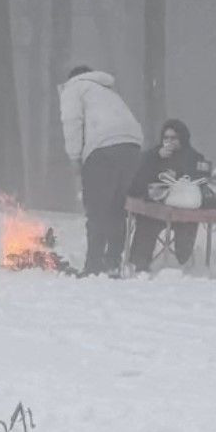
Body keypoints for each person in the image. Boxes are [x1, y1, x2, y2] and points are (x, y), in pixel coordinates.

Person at [58, 65, 143, 276]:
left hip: (103, 150)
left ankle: (94, 266)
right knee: (116, 208)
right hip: (132, 147)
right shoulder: (108, 91)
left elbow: (72, 123)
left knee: (97, 209)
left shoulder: (74, 88)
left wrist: (74, 157)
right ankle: (113, 261)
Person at [127, 119, 210, 273]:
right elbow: (138, 176)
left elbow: (201, 177)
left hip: (183, 205)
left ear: (182, 139)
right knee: (146, 220)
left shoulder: (194, 156)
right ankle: (141, 264)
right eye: (166, 138)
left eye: (173, 138)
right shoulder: (154, 154)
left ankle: (184, 263)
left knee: (188, 222)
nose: (169, 142)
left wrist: (178, 174)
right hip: (157, 203)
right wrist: (155, 157)